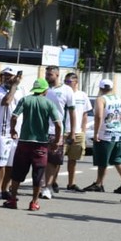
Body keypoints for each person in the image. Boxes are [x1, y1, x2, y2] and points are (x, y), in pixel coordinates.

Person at [3, 77, 62, 212]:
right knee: (38, 174)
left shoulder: (25, 100)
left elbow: (14, 117)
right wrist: (57, 140)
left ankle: (12, 200)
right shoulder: (48, 103)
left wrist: (12, 130)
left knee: (17, 172)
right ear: (45, 91)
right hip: (41, 144)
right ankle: (34, 202)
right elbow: (58, 124)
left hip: (24, 142)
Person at [82, 79, 121, 192]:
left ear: (100, 88)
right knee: (119, 160)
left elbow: (98, 116)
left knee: (103, 160)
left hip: (105, 134)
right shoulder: (119, 99)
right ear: (111, 88)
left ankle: (99, 183)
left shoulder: (101, 99)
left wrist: (96, 133)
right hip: (117, 134)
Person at [0, 66, 22, 199]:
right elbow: (6, 102)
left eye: (10, 75)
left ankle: (5, 189)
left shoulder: (21, 91)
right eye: (4, 75)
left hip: (16, 133)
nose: (7, 77)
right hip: (1, 132)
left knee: (11, 163)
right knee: (0, 162)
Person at [42, 66, 76, 199]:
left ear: (57, 75)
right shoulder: (43, 89)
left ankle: (48, 186)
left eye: (50, 74)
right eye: (46, 74)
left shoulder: (66, 90)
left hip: (57, 131)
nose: (47, 76)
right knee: (41, 160)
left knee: (54, 161)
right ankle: (42, 185)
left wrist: (72, 132)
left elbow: (72, 113)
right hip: (41, 131)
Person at [63, 72, 91, 192]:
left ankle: (71, 183)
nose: (67, 84)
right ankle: (51, 182)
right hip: (64, 131)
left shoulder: (82, 95)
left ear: (76, 82)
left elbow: (85, 114)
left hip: (78, 132)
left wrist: (83, 132)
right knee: (56, 160)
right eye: (65, 82)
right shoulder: (63, 94)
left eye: (69, 82)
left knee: (73, 159)